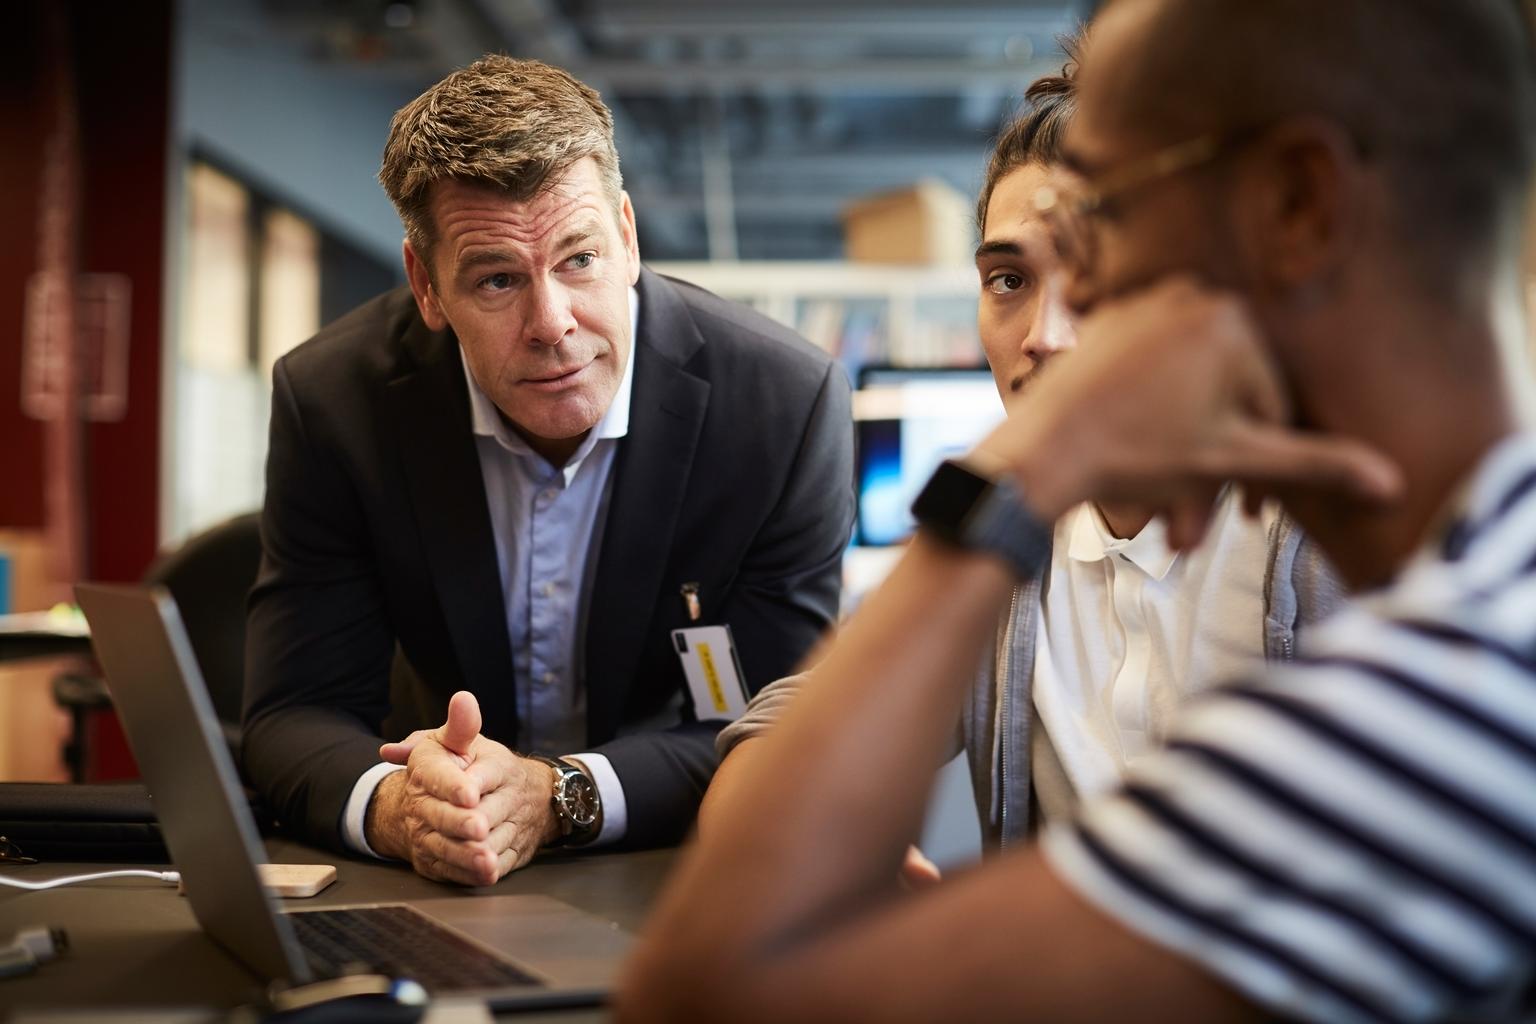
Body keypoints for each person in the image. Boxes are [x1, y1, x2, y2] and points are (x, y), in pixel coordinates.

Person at [617, 1, 1536, 1021]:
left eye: (1106, 213)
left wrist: (1028, 458)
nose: (1058, 321)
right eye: (1018, 267)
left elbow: (711, 984)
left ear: (1298, 206)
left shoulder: (1458, 699)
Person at [703, 44, 1340, 860]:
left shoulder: (1314, 536)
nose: (1043, 337)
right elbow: (773, 736)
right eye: (1009, 280)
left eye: (1097, 276)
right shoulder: (1008, 547)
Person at [241, 55, 855, 886]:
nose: (552, 324)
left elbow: (776, 724)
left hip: (671, 861)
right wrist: (400, 810)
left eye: (579, 259)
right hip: (439, 870)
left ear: (628, 238)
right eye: (496, 279)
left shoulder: (782, 407)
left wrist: (559, 794)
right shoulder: (335, 403)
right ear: (427, 287)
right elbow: (294, 713)